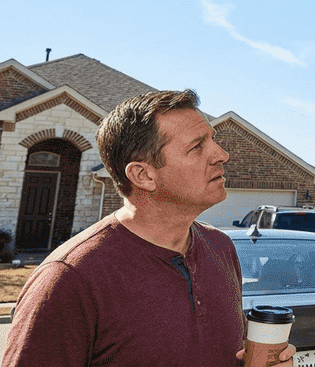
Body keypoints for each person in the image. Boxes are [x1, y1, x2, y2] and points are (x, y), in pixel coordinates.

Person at [3, 89, 296, 367]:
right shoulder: (70, 279)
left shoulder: (221, 248)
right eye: (197, 146)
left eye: (212, 139)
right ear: (143, 175)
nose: (221, 154)